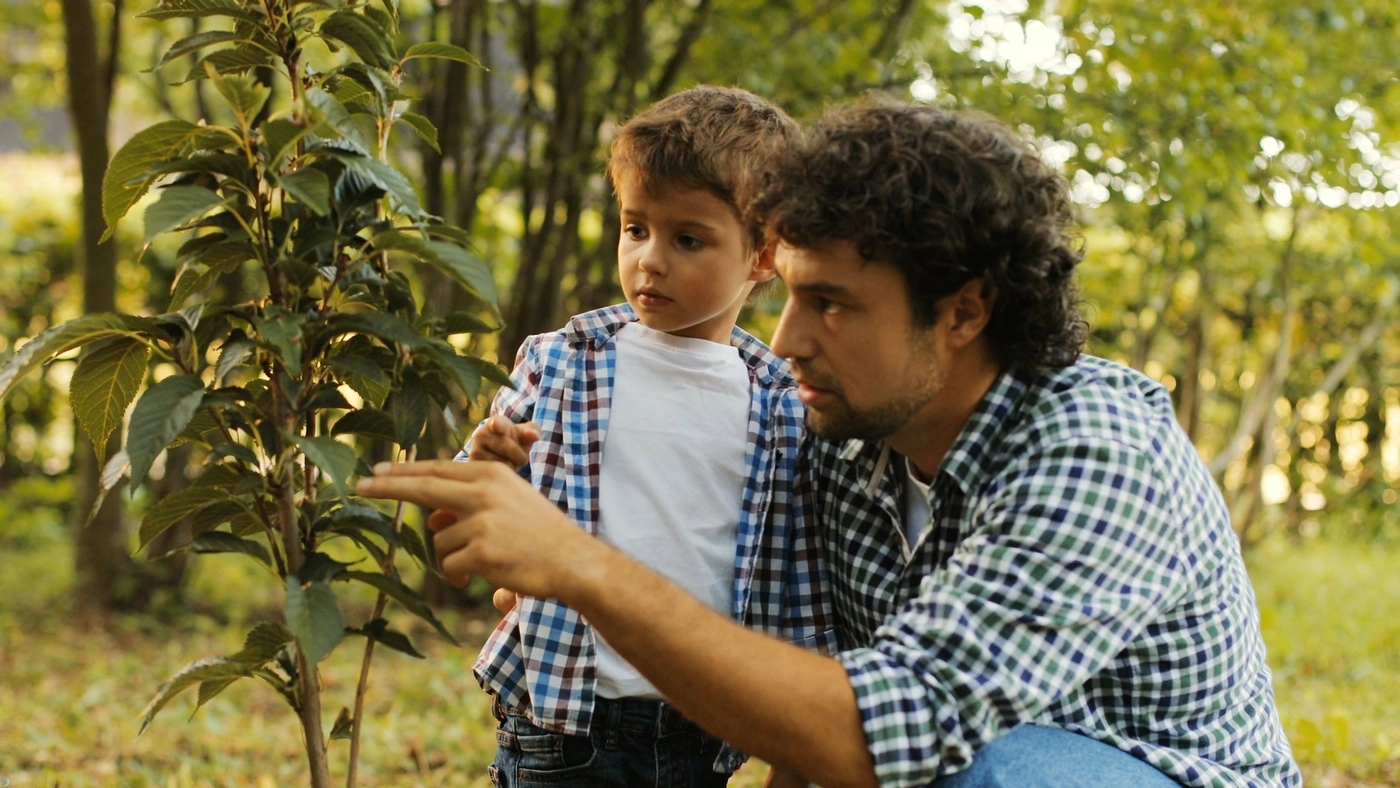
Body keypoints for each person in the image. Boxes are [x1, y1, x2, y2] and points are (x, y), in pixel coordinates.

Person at [361, 100, 1300, 787]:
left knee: (979, 775)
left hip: (1139, 774)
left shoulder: (1095, 451)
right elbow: (809, 697)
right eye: (792, 292)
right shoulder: (841, 440)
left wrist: (582, 566)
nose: (785, 340)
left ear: (965, 310)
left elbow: (885, 732)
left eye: (833, 304)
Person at [443, 85, 836, 787]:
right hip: (562, 721)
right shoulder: (563, 360)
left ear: (762, 256)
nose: (650, 259)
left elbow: (792, 580)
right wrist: (488, 467)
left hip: (700, 726)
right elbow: (471, 517)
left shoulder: (781, 404)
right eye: (635, 228)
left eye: (688, 239)